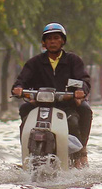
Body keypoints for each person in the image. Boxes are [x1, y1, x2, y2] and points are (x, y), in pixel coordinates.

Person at [12, 23, 92, 166]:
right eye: (49, 39)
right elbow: (21, 80)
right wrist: (18, 88)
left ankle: (81, 152)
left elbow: (84, 80)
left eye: (56, 38)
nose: (53, 41)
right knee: (24, 109)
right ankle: (26, 153)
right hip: (40, 104)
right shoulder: (34, 62)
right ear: (44, 42)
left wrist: (81, 91)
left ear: (62, 41)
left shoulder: (73, 60)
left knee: (83, 112)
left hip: (67, 105)